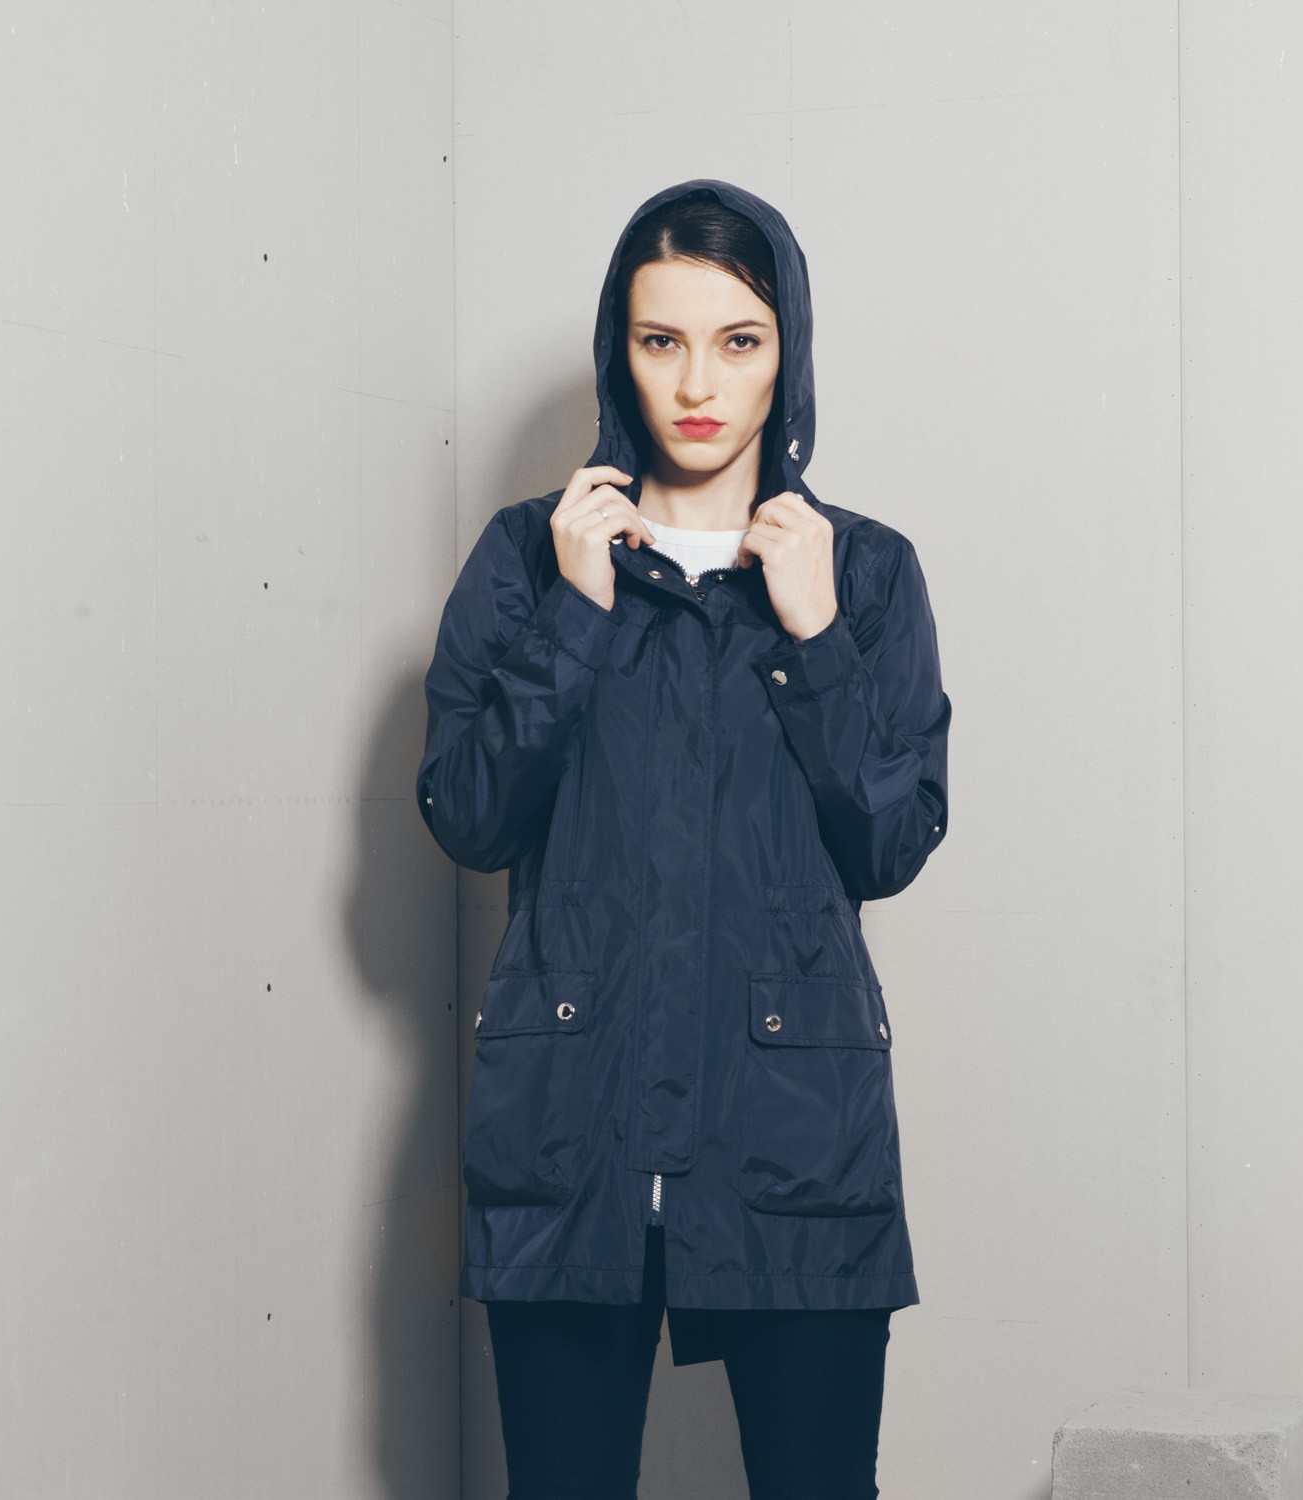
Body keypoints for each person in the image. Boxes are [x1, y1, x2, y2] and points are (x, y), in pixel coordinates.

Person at [415, 178, 953, 1500]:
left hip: (795, 1145)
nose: (698, 384)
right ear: (620, 352)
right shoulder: (528, 560)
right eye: (662, 340)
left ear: (787, 356)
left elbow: (890, 842)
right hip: (569, 1139)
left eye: (738, 341)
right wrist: (574, 618)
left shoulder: (864, 573)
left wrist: (815, 636)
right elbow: (468, 818)